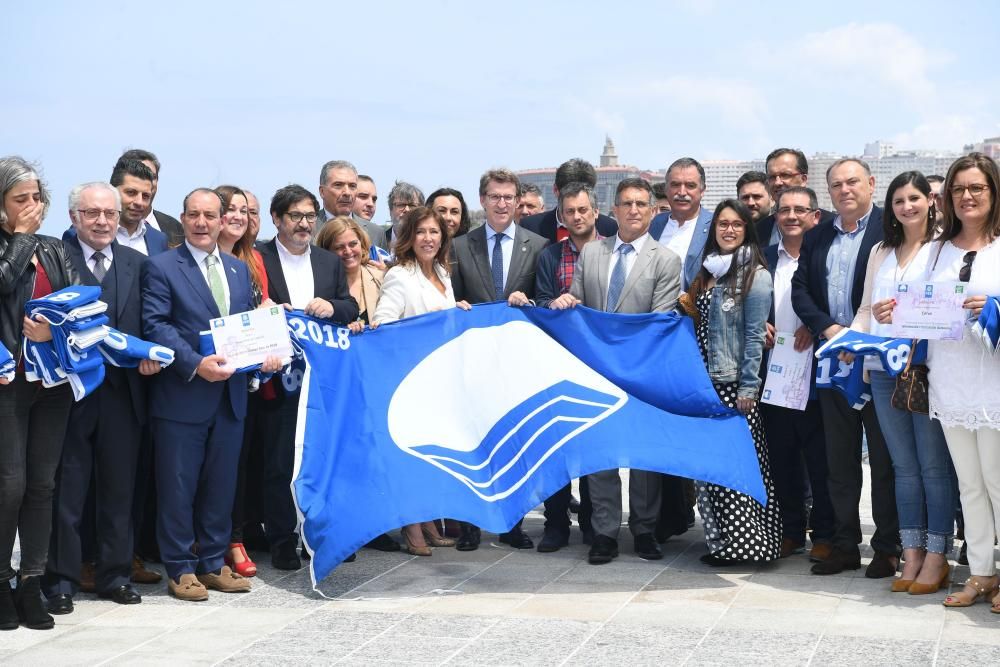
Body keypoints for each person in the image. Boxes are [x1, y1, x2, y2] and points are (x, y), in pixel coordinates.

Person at [141, 188, 283, 601]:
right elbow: (157, 326)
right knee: (178, 485)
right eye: (194, 215)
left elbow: (244, 330)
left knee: (221, 484)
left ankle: (214, 562)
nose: (202, 223)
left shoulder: (238, 271)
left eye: (210, 216)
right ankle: (181, 567)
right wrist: (193, 364)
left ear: (224, 221)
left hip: (231, 397)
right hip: (183, 395)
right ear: (182, 220)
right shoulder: (162, 267)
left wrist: (266, 355)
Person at [549, 177, 682, 565]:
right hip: (596, 371)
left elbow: (658, 321)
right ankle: (605, 532)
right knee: (601, 453)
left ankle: (643, 529)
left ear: (653, 211)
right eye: (626, 203)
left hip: (642, 373)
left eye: (642, 203)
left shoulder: (666, 260)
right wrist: (567, 301)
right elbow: (579, 303)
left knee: (644, 458)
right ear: (614, 210)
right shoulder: (591, 253)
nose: (634, 210)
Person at [44, 182, 158, 613]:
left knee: (118, 491)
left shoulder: (137, 263)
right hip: (71, 396)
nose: (102, 221)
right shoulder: (57, 259)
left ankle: (115, 575)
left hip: (123, 396)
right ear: (74, 217)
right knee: (68, 491)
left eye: (108, 213)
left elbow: (148, 323)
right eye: (91, 213)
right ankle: (61, 581)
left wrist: (151, 356)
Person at [844, 171, 956, 594]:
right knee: (902, 467)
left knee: (933, 467)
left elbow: (949, 308)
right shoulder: (880, 250)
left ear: (930, 200)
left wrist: (907, 312)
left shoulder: (945, 249)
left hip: (927, 372)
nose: (906, 207)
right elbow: (865, 308)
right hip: (883, 369)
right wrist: (851, 341)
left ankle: (937, 554)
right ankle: (910, 553)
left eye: (914, 198)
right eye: (898, 201)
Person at [791, 158, 900, 577]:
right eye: (836, 185)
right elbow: (801, 291)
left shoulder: (888, 232)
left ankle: (887, 546)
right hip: (834, 361)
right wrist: (829, 328)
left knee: (885, 460)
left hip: (876, 361)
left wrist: (860, 330)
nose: (845, 190)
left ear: (871, 184)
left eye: (852, 182)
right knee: (838, 459)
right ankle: (843, 544)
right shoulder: (817, 235)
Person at [258, 185, 359, 570]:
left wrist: (331, 305)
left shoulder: (328, 261)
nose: (304, 224)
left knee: (321, 459)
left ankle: (322, 534)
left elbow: (351, 307)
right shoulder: (258, 259)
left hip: (320, 382)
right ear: (277, 219)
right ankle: (282, 540)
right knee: (279, 463)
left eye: (309, 216)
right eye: (295, 216)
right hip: (275, 380)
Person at [450, 169, 549, 551]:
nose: (503, 204)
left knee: (516, 442)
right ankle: (472, 525)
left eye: (509, 197)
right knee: (472, 440)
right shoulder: (459, 246)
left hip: (517, 363)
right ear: (483, 200)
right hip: (472, 360)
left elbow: (544, 301)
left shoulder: (536, 245)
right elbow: (451, 301)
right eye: (495, 197)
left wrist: (531, 304)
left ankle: (512, 523)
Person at [678, 199, 780, 564]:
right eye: (723, 223)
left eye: (737, 224)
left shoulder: (755, 275)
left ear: (747, 230)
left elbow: (755, 337)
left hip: (733, 385)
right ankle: (721, 544)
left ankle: (749, 546)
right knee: (711, 469)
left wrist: (749, 388)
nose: (729, 230)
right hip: (705, 386)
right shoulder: (706, 272)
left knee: (737, 467)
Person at [0, 156, 78, 630]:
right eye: (20, 199)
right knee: (9, 484)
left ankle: (31, 581)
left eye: (37, 198)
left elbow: (81, 307)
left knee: (42, 484)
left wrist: (56, 332)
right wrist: (21, 239)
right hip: (8, 381)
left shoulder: (55, 249)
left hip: (51, 382)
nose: (32, 206)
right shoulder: (19, 245)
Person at [370, 206, 470, 555]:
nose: (428, 238)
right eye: (422, 232)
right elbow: (384, 324)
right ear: (409, 238)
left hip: (440, 381)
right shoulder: (400, 275)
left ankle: (427, 520)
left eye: (435, 232)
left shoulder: (442, 271)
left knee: (432, 457)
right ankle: (411, 530)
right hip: (410, 379)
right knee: (411, 458)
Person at [925, 154, 1000, 610]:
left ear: (993, 193)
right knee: (969, 484)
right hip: (950, 378)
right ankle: (981, 573)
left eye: (977, 188)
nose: (967, 197)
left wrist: (991, 305)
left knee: (997, 481)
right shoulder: (937, 248)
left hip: (993, 381)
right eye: (958, 189)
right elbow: (918, 303)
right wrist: (898, 312)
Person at [759, 186, 834, 561]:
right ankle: (790, 531)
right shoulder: (763, 257)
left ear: (815, 217)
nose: (791, 216)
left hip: (816, 370)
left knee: (820, 462)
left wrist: (816, 324)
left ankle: (823, 534)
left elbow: (839, 302)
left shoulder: (825, 256)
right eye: (784, 209)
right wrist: (761, 325)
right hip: (773, 372)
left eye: (799, 210)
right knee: (782, 457)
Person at [531, 182, 600, 552]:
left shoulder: (610, 251)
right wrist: (555, 302)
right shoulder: (550, 256)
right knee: (555, 448)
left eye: (583, 210)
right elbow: (541, 300)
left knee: (593, 448)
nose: (577, 217)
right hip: (557, 362)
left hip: (598, 364)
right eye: (570, 211)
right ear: (562, 215)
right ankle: (555, 523)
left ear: (595, 212)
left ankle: (592, 523)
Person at [214, 185, 270, 578]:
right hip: (202, 378)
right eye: (229, 209)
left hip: (245, 383)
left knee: (236, 466)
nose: (238, 216)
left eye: (245, 211)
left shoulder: (251, 261)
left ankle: (232, 539)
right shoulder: (189, 259)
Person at [649, 157, 714, 289]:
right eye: (675, 185)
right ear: (666, 189)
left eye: (690, 186)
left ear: (702, 191)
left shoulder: (715, 226)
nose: (682, 192)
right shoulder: (655, 224)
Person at [519, 158, 618, 242]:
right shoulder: (530, 227)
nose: (576, 216)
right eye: (570, 195)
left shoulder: (609, 228)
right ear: (555, 190)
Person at [756, 148, 835, 247]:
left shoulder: (833, 226)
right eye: (772, 177)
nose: (777, 182)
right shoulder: (759, 231)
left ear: (803, 179)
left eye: (785, 175)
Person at [119, 148, 184, 246]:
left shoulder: (175, 228)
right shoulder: (105, 225)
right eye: (137, 175)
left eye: (151, 176)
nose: (145, 182)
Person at [385, 181, 425, 251]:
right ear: (390, 210)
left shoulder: (426, 242)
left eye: (412, 205)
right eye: (401, 205)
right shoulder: (378, 239)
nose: (407, 209)